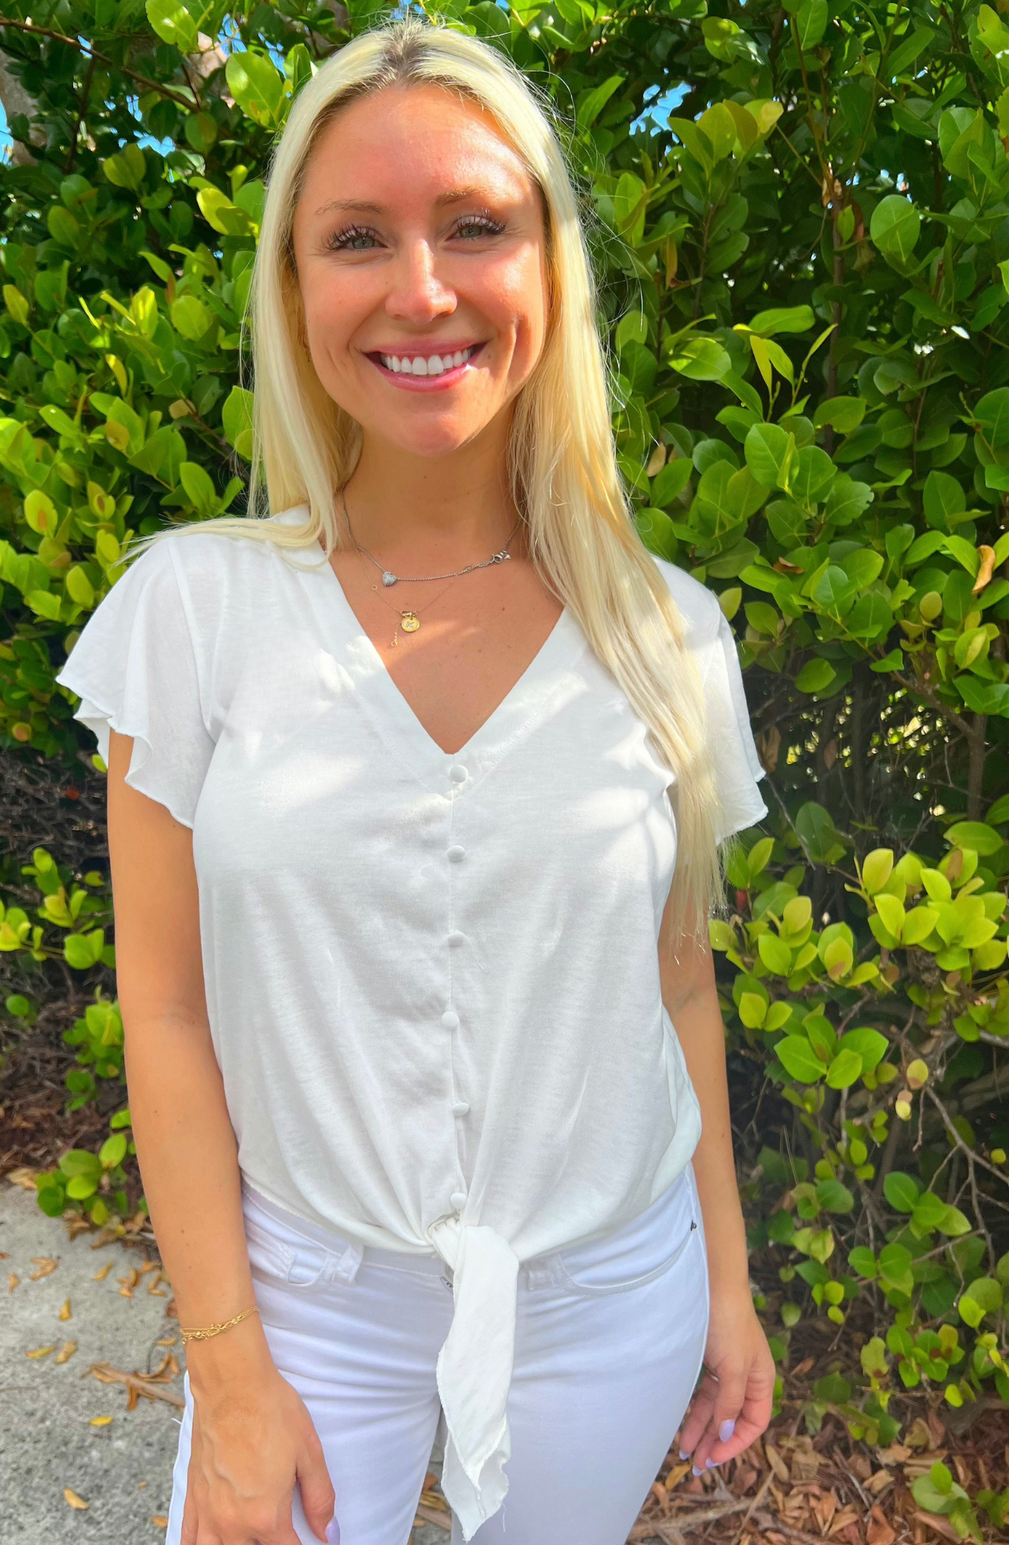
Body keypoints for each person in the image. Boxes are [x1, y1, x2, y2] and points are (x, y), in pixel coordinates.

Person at [56, 19, 776, 1545]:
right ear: (293, 282)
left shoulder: (666, 631)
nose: (422, 288)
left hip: (610, 1290)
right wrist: (230, 1375)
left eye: (474, 226)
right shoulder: (189, 614)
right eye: (356, 237)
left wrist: (724, 1283)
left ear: (550, 268)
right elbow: (167, 1011)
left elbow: (676, 987)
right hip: (306, 1299)